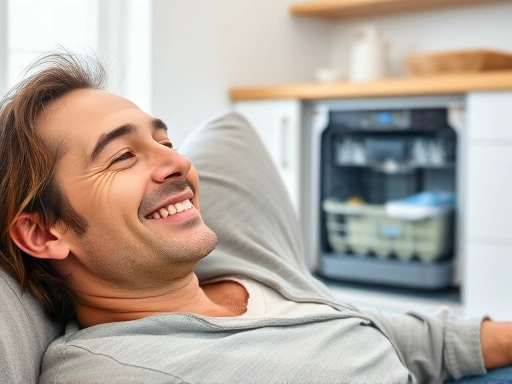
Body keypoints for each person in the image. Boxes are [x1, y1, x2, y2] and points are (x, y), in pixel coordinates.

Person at [0, 52, 511, 384]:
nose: (177, 162)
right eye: (123, 157)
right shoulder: (112, 371)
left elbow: (390, 335)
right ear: (44, 232)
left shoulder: (248, 278)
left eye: (164, 141)